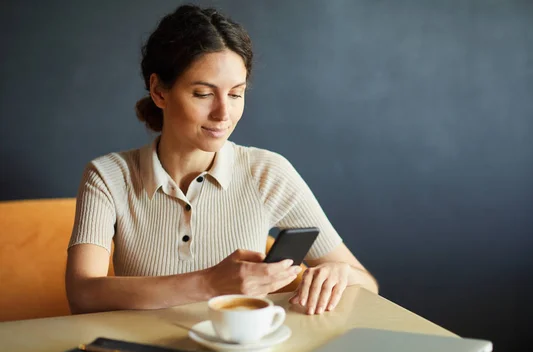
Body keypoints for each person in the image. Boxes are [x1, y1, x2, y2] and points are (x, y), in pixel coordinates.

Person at [65, 5, 378, 316]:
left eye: (236, 94)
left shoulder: (268, 173)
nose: (223, 114)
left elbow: (366, 284)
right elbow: (82, 293)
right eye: (203, 94)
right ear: (159, 91)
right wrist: (210, 283)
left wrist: (338, 275)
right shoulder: (107, 176)